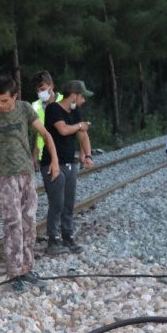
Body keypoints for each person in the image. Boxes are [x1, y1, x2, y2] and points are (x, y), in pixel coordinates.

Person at [0, 74, 60, 293]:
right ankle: (14, 272)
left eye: (5, 100)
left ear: (15, 96)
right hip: (5, 176)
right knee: (12, 223)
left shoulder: (24, 109)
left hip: (26, 173)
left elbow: (45, 134)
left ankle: (27, 268)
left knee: (29, 222)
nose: (1, 105)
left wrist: (54, 161)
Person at [41, 80, 95, 255]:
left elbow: (83, 135)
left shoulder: (75, 111)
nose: (83, 101)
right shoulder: (53, 109)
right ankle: (52, 239)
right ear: (74, 95)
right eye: (82, 97)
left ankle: (67, 236)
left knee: (68, 203)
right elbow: (63, 130)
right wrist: (80, 125)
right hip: (52, 163)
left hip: (70, 163)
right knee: (57, 202)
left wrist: (87, 155)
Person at [30, 70, 62, 167]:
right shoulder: (35, 106)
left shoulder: (63, 101)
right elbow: (37, 134)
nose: (40, 93)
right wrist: (34, 156)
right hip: (44, 155)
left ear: (51, 86)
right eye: (37, 91)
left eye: (42, 89)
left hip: (63, 153)